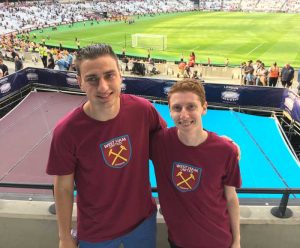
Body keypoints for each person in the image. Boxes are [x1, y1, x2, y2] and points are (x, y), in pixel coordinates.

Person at [46, 44, 166, 248]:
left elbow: (171, 147)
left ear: (121, 76)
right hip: (95, 232)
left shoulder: (143, 111)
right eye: (92, 79)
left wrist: (217, 143)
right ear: (80, 82)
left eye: (109, 75)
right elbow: (64, 188)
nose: (103, 87)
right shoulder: (66, 131)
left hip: (142, 223)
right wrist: (64, 237)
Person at [150, 79, 241, 248]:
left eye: (191, 107)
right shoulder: (159, 143)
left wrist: (237, 241)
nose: (184, 115)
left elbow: (231, 198)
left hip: (218, 241)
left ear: (204, 108)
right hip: (178, 241)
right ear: (169, 111)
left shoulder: (225, 151)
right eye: (177, 108)